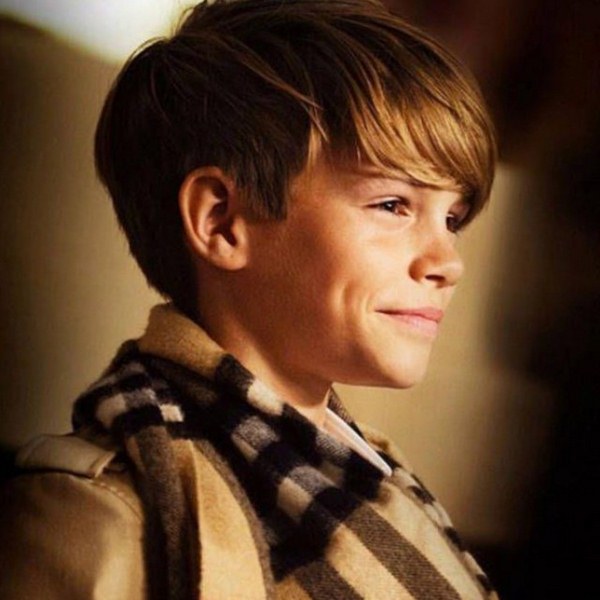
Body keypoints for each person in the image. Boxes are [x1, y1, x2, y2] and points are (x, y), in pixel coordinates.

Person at [0, 0, 497, 598]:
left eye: (452, 219)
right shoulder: (100, 516)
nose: (447, 262)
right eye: (392, 205)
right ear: (221, 221)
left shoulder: (376, 481)